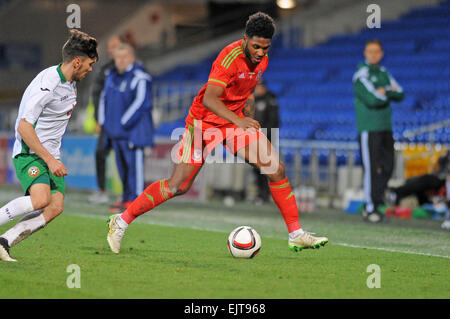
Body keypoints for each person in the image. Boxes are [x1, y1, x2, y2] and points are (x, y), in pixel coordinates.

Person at [106, 12, 328, 254]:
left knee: (275, 168)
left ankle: (295, 234)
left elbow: (247, 90)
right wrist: (238, 120)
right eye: (256, 46)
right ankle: (121, 221)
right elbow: (211, 99)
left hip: (233, 123)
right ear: (245, 39)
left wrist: (247, 115)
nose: (261, 53)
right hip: (204, 123)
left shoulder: (262, 60)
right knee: (177, 186)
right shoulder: (228, 57)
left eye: (266, 47)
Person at [0, 30, 98, 261]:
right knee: (41, 199)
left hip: (49, 154)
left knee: (55, 207)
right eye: (89, 64)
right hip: (31, 152)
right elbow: (24, 127)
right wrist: (50, 159)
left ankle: (5, 240)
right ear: (77, 62)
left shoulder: (70, 82)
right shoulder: (47, 85)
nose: (90, 69)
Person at [352, 39, 404, 223]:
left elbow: (401, 93)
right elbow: (372, 99)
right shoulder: (361, 74)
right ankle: (370, 206)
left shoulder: (384, 73)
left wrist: (386, 91)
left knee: (389, 166)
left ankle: (374, 199)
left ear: (381, 54)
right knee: (371, 169)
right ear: (365, 53)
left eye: (376, 52)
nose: (373, 55)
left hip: (385, 127)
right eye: (370, 51)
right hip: (369, 129)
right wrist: (387, 93)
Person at [99, 43, 154, 213]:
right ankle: (125, 198)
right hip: (115, 132)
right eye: (118, 57)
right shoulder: (110, 77)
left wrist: (123, 122)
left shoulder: (140, 77)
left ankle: (136, 200)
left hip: (133, 133)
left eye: (124, 57)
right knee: (121, 168)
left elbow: (141, 103)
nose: (121, 61)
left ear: (132, 58)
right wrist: (105, 123)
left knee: (134, 168)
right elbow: (103, 99)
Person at [88, 35, 123, 204]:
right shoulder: (105, 69)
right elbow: (97, 95)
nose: (111, 50)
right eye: (110, 47)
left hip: (125, 124)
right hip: (107, 123)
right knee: (100, 153)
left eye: (114, 46)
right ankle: (102, 190)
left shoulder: (131, 69)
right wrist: (97, 119)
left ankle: (128, 193)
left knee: (125, 157)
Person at [252, 78, 279, 204]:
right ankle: (260, 193)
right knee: (256, 168)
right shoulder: (254, 100)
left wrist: (263, 134)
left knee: (266, 168)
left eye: (259, 87)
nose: (258, 89)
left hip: (266, 139)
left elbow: (274, 122)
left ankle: (267, 194)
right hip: (255, 139)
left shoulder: (270, 100)